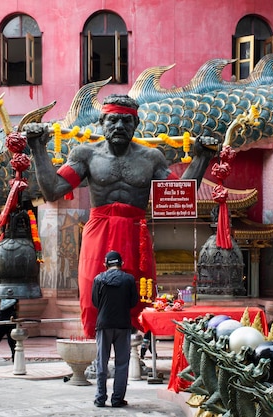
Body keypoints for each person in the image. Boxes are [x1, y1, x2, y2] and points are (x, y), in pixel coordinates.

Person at [25, 94, 218, 338]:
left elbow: (178, 194)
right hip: (98, 230)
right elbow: (53, 190)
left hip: (135, 230)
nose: (119, 127)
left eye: (127, 121)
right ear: (102, 123)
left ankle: (139, 349)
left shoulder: (151, 157)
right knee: (91, 290)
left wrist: (203, 157)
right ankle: (96, 347)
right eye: (113, 120)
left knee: (140, 290)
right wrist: (37, 148)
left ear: (136, 125)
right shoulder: (85, 154)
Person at [91, 250, 138, 408]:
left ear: (105, 264)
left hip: (104, 325)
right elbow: (133, 302)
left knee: (101, 362)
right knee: (122, 363)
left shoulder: (98, 279)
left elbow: (95, 302)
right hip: (123, 325)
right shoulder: (129, 279)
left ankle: (100, 398)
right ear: (121, 264)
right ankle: (117, 399)